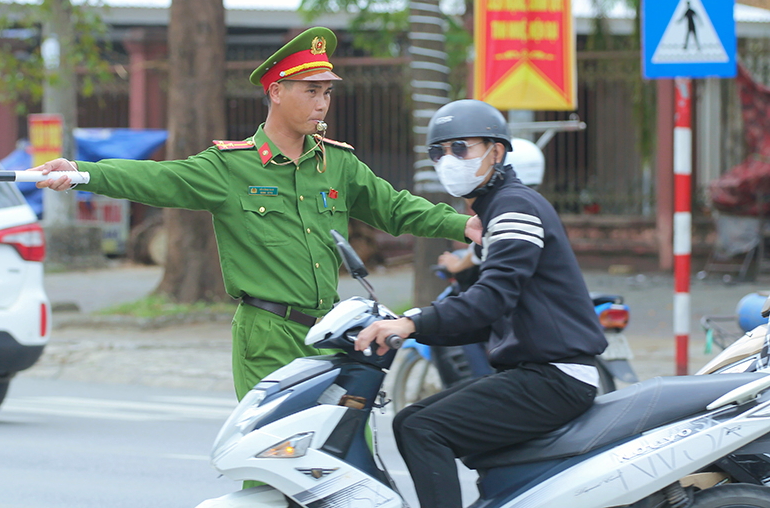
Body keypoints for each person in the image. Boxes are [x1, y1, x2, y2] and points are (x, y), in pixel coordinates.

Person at [32, 27, 475, 401]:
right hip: (267, 334)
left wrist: (466, 226)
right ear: (276, 92)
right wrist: (80, 173)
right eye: (310, 91)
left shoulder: (337, 164)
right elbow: (159, 178)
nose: (322, 103)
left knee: (337, 457)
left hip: (331, 330)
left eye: (326, 92)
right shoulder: (232, 166)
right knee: (272, 457)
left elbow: (396, 209)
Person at [355, 99, 607, 508]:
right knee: (409, 421)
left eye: (461, 149)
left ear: (497, 151)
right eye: (438, 152)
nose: (448, 161)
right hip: (538, 373)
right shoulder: (498, 210)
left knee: (423, 430)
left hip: (555, 378)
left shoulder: (515, 207)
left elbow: (491, 298)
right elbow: (488, 316)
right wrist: (405, 326)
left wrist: (414, 322)